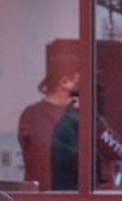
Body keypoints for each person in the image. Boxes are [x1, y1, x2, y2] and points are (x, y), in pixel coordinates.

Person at [17, 54, 79, 190]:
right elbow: (51, 153)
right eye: (76, 81)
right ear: (64, 82)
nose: (80, 88)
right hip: (46, 198)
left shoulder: (76, 115)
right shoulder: (33, 116)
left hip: (68, 196)